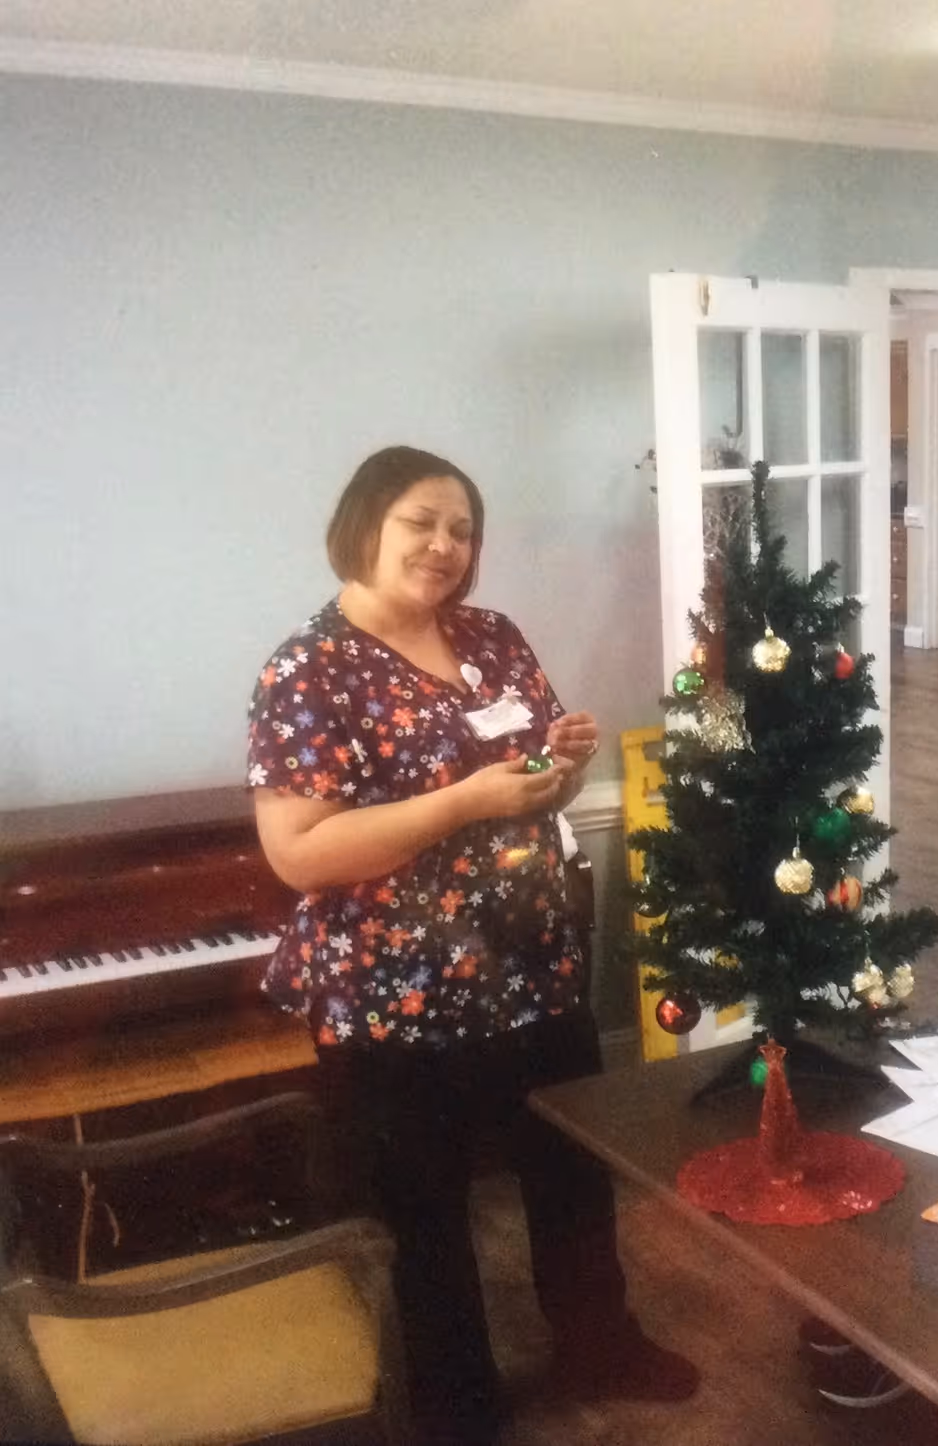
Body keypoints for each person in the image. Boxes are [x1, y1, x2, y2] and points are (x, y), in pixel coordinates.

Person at [247, 445, 696, 1442]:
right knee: (427, 1220)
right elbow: (300, 853)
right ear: (364, 523)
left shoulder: (491, 636)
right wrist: (464, 802)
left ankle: (600, 1344)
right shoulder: (308, 671)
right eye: (421, 522)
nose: (445, 545)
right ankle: (459, 1408)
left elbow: (529, 784)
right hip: (396, 1000)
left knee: (572, 1182)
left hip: (534, 972)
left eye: (462, 528)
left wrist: (559, 770)